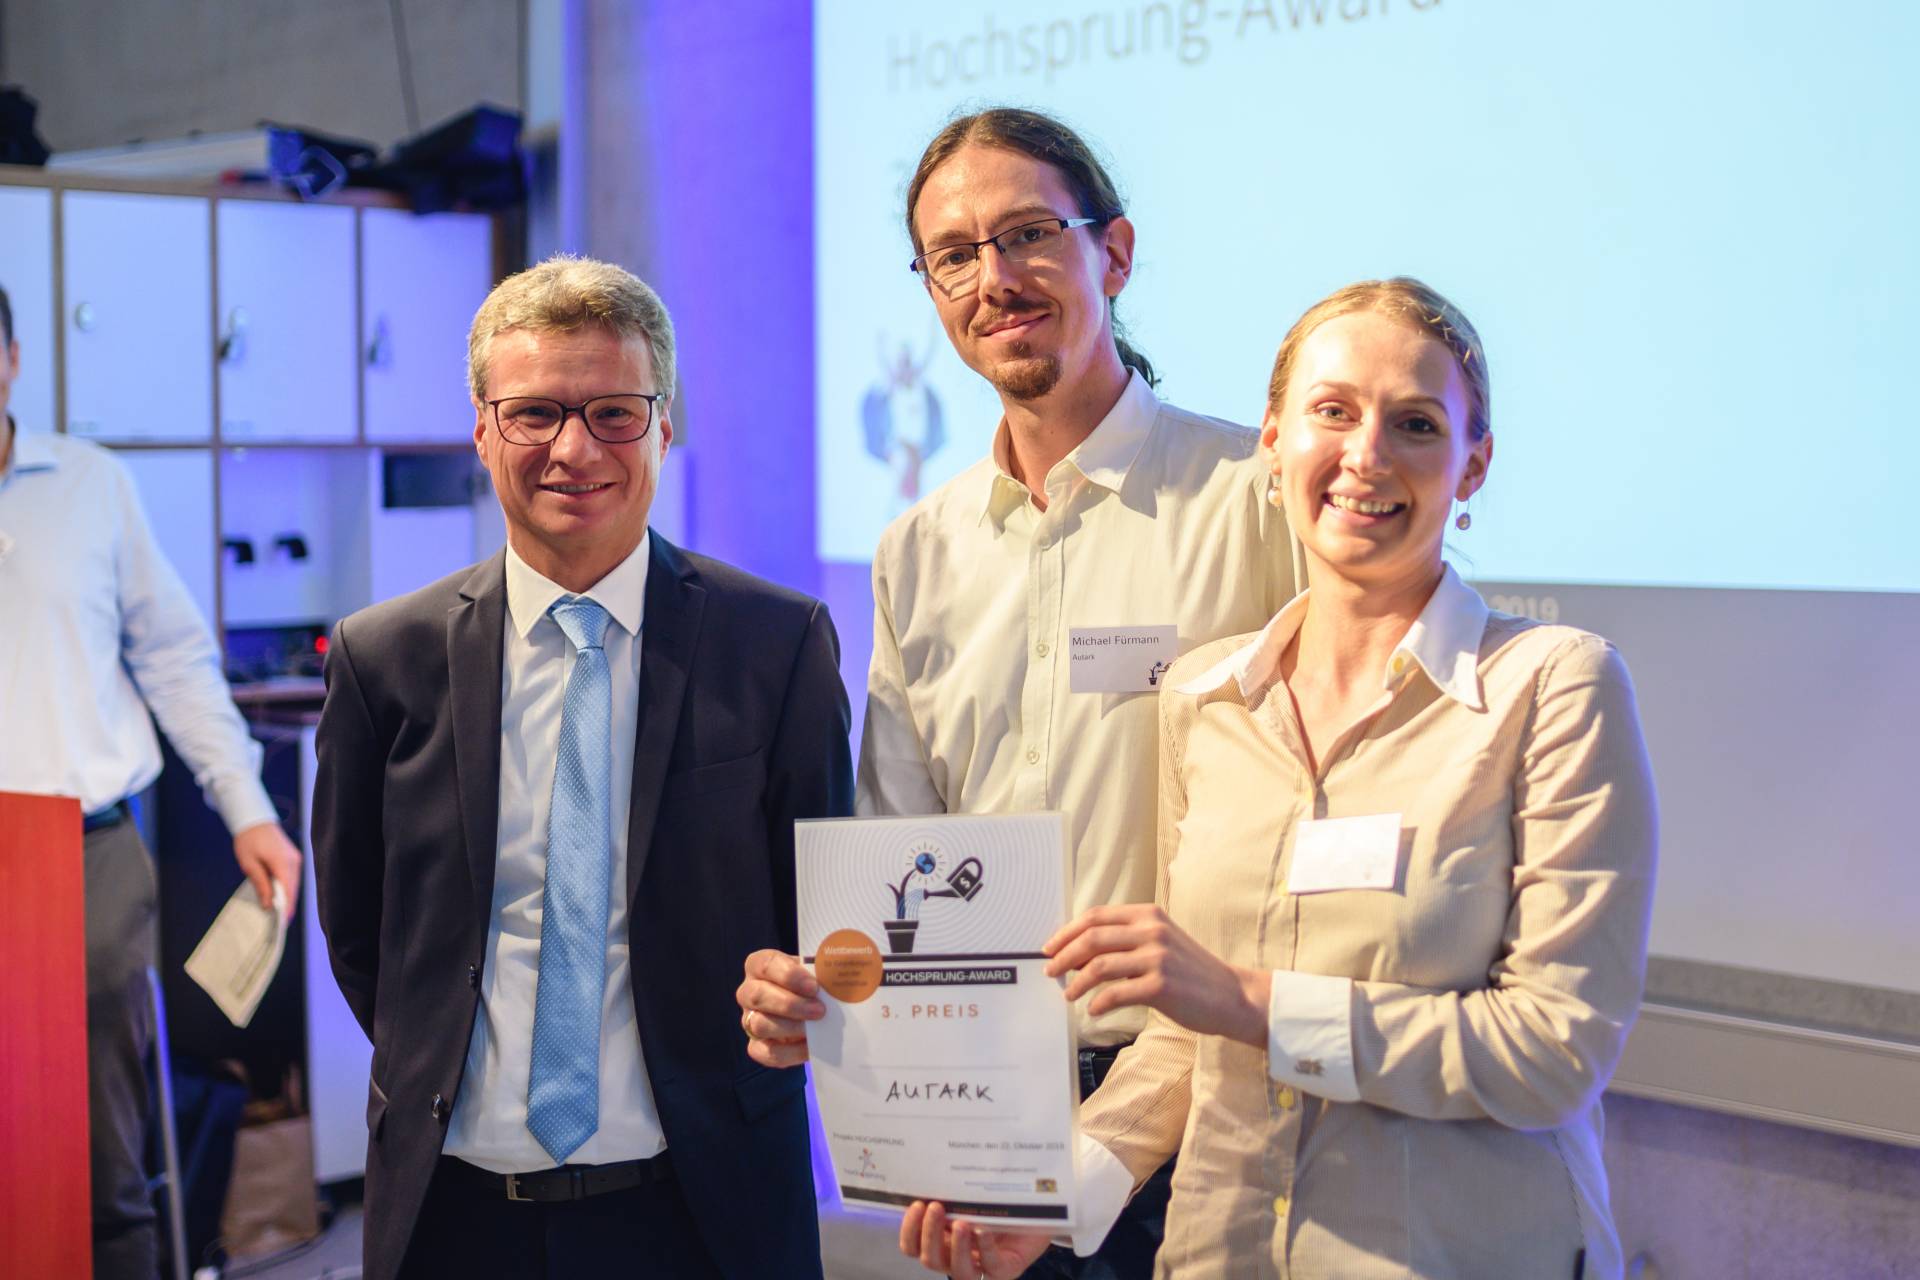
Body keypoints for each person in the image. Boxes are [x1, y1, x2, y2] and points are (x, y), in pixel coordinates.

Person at [901, 279, 1658, 1279]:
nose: (1367, 454)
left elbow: (1552, 1050)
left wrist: (1255, 999)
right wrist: (1054, 1200)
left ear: (1473, 463)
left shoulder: (1554, 685)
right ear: (1272, 438)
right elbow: (1185, 1035)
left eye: (1417, 423)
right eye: (1332, 410)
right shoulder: (1209, 699)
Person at [737, 107, 1304, 1278]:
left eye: (1030, 233)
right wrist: (822, 993)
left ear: (1117, 252)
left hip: (1221, 1104)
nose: (993, 278)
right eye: (954, 253)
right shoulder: (918, 551)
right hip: (996, 1107)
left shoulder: (1258, 499)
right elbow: (901, 845)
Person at [312, 255, 852, 1280]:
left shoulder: (775, 645)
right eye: (534, 413)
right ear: (481, 426)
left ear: (664, 423)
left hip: (701, 1204)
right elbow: (363, 932)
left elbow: (816, 906)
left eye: (613, 411)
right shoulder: (387, 658)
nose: (574, 447)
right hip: (454, 1208)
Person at [0, 283, 303, 1279]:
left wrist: (248, 808)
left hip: (79, 851)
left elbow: (174, 657)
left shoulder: (87, 484)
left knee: (91, 1135)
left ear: (9, 361)